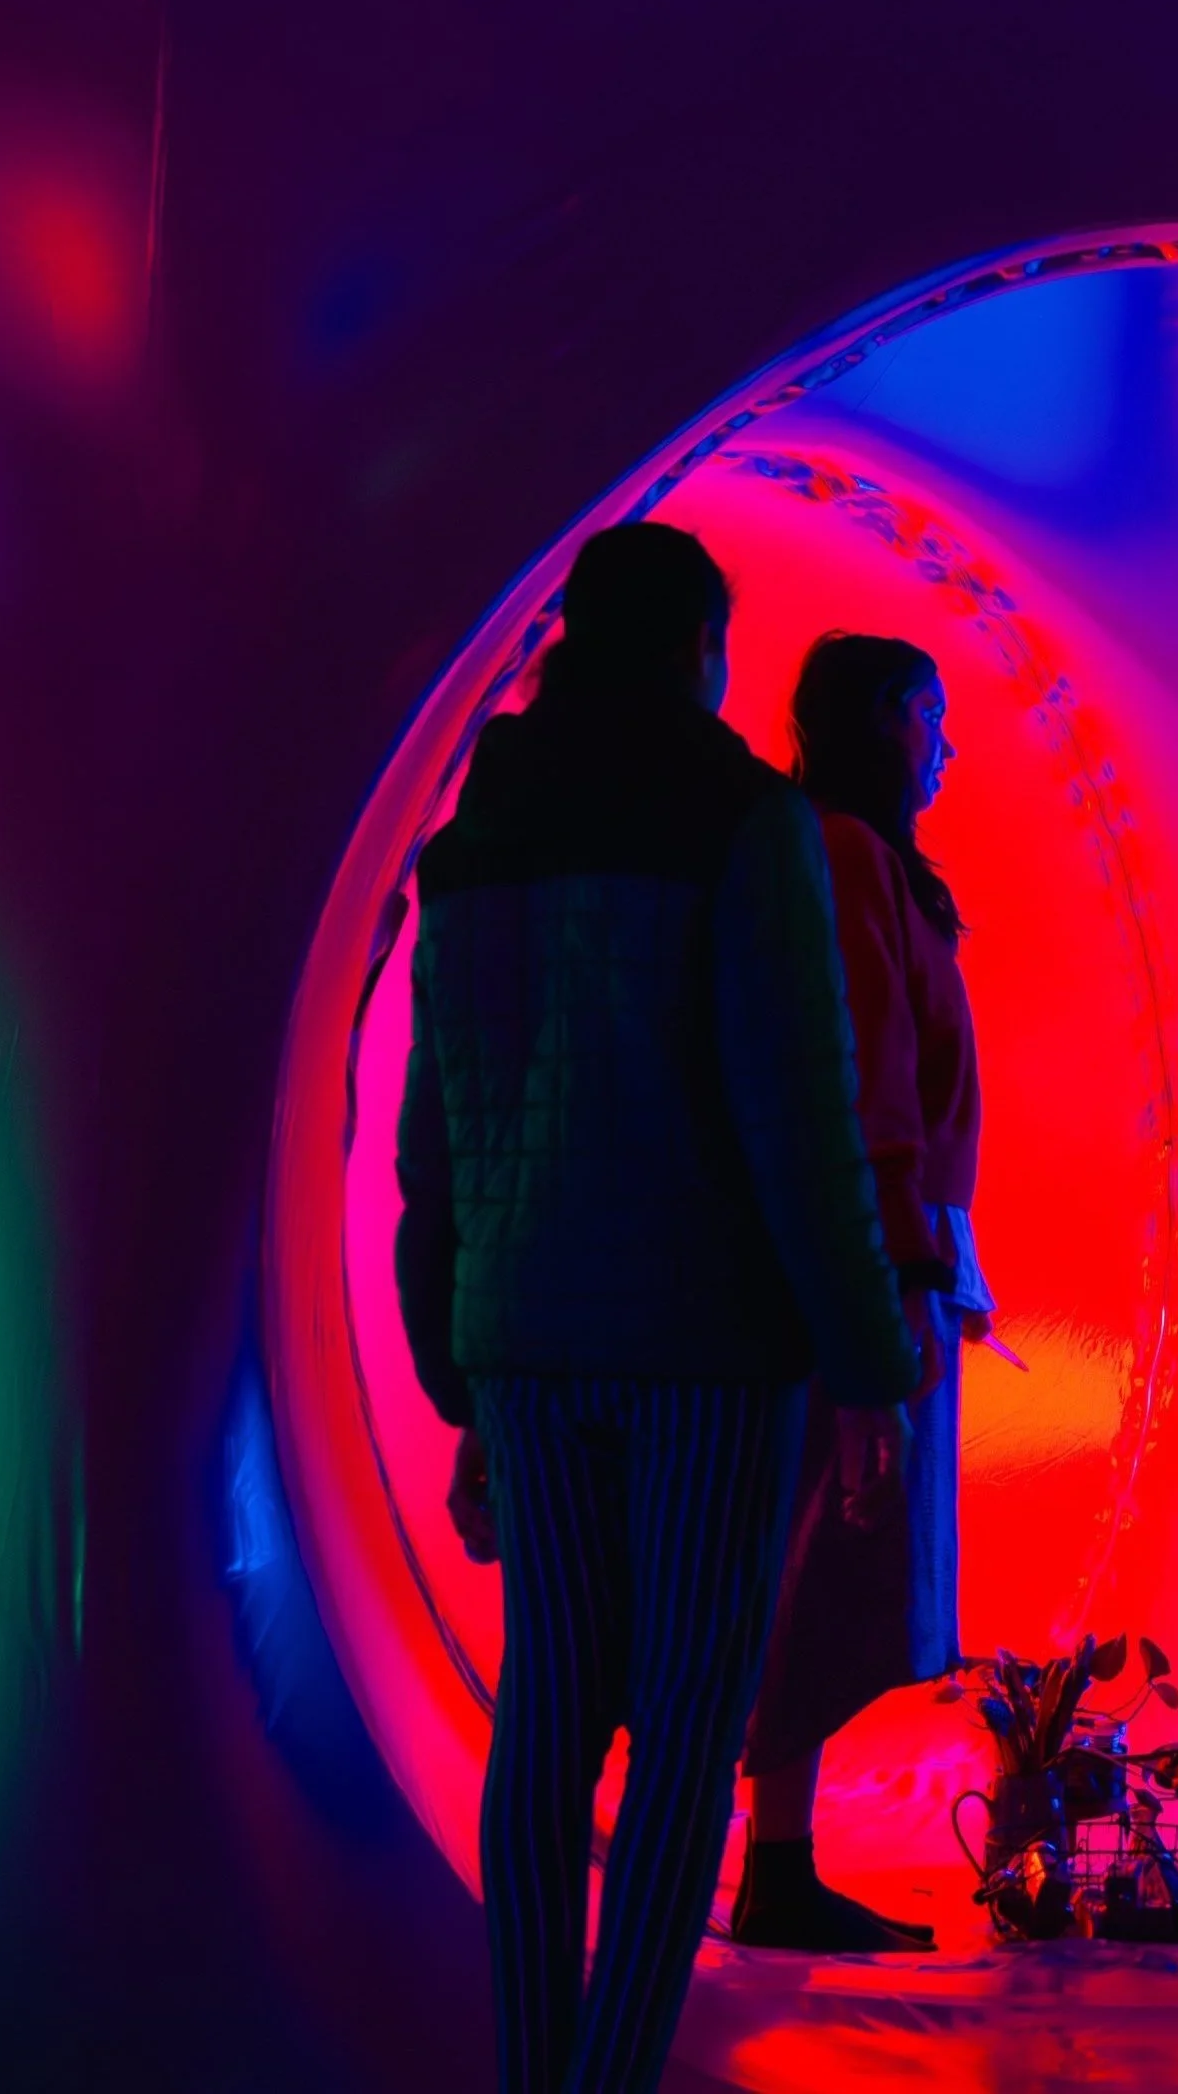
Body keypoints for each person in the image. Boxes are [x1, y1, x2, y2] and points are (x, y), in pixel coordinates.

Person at [394, 523, 921, 2094]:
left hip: (527, 1337)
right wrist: (862, 1359)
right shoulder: (741, 817)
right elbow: (797, 1117)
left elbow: (435, 1117)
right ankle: (610, 2075)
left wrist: (457, 1356)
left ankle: (529, 2066)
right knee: (689, 1715)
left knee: (548, 1707)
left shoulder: (477, 824)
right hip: (705, 1341)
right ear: (699, 645)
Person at [729, 633, 991, 1955]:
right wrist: (893, 1279)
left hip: (899, 1257)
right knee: (820, 1554)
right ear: (889, 716)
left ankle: (780, 1857)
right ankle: (774, 1863)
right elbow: (870, 1081)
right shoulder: (844, 858)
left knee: (833, 1560)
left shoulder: (858, 858)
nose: (946, 741)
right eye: (933, 715)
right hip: (876, 1270)